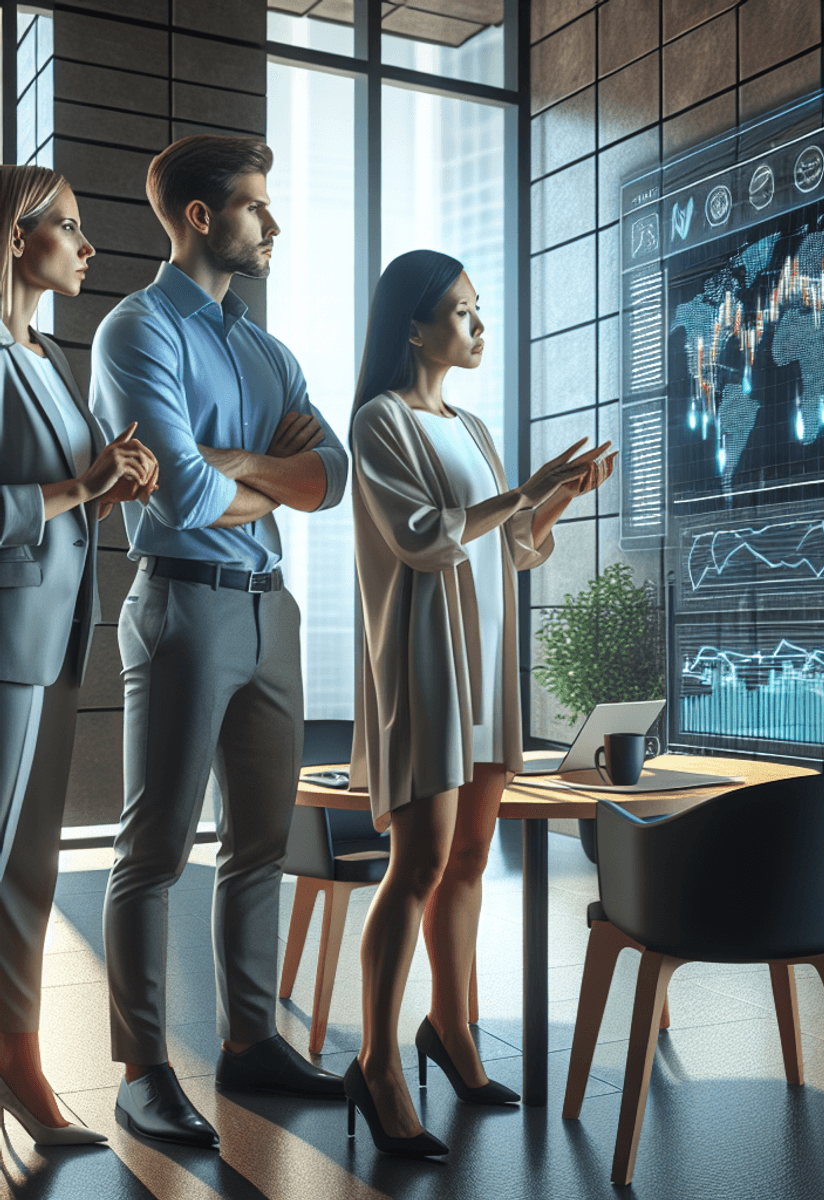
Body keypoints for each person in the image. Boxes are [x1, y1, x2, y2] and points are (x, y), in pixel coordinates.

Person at [91, 135, 349, 1150]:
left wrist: (225, 461)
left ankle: (251, 1044)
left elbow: (328, 475)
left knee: (257, 844)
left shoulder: (265, 347)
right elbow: (182, 495)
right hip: (183, 607)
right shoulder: (135, 331)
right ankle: (142, 1069)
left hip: (268, 606)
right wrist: (247, 475)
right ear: (200, 217)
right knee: (154, 851)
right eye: (253, 206)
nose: (270, 224)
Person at [346, 250, 615, 1157]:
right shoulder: (380, 424)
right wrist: (521, 495)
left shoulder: (473, 426)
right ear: (413, 327)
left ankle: (451, 1031)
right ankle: (377, 1062)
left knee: (469, 860)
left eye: (477, 309)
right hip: (428, 664)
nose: (476, 324)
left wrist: (555, 502)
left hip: (489, 668)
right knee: (416, 864)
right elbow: (425, 540)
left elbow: (515, 549)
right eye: (460, 311)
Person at [0, 165, 158, 1146]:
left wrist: (113, 485)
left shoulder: (47, 356)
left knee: (29, 875)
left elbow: (70, 486)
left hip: (53, 643)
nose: (88, 246)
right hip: (3, 649)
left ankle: (21, 1073)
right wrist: (74, 490)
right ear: (18, 238)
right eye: (69, 226)